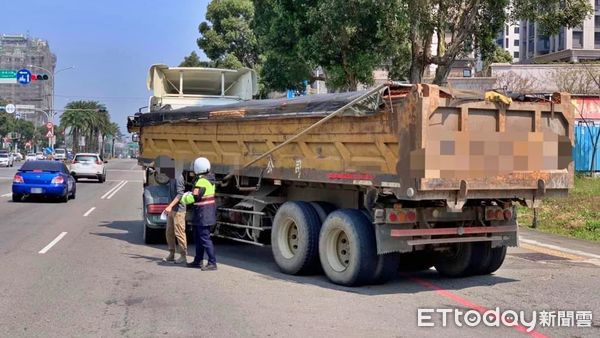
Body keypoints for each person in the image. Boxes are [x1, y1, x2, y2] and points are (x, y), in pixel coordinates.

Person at [182, 157, 217, 271]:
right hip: (205, 213)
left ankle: (212, 263)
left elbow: (194, 197)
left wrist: (184, 198)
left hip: (203, 215)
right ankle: (198, 260)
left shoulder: (201, 181)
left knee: (204, 239)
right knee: (199, 238)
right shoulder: (209, 179)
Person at [163, 171, 188, 264]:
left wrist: (170, 206)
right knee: (169, 232)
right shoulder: (171, 176)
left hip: (179, 210)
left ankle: (183, 255)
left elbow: (180, 194)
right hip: (172, 209)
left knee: (179, 233)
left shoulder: (178, 177)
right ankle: (171, 253)